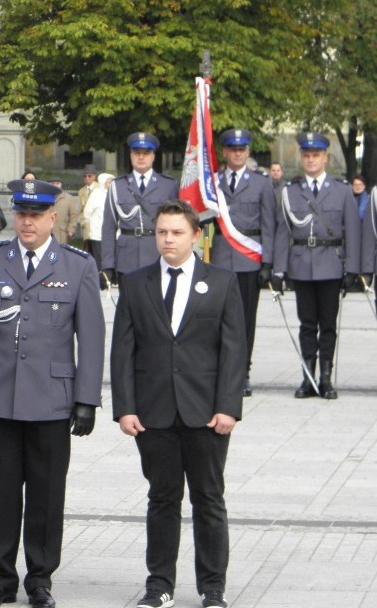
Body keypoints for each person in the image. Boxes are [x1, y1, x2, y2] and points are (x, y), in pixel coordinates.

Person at [0, 178, 105, 608]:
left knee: (46, 494)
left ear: (52, 219)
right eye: (21, 214)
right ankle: (1, 578)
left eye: (36, 215)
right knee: (1, 494)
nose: (27, 222)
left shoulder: (77, 266)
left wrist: (86, 399)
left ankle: (40, 578)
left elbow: (91, 339)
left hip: (52, 400)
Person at [111, 199, 247, 608]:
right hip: (153, 412)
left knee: (209, 498)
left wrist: (228, 406)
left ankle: (212, 587)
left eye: (176, 232)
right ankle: (159, 585)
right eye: (161, 232)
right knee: (162, 498)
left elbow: (234, 349)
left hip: (206, 412)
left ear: (195, 236)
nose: (167, 239)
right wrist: (125, 408)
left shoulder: (221, 282)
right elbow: (123, 351)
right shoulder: (136, 283)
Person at [273, 132, 360, 399]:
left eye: (316, 155)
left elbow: (353, 232)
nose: (311, 160)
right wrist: (279, 269)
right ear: (302, 158)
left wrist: (352, 269)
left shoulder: (342, 190)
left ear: (325, 157)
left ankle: (325, 378)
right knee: (307, 324)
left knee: (329, 325)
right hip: (301, 265)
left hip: (331, 265)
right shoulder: (291, 191)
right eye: (306, 155)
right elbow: (283, 231)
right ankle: (308, 378)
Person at [211, 129, 276, 397]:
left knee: (246, 320)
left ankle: (243, 373)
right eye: (232, 148)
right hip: (219, 260)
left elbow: (269, 224)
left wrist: (267, 263)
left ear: (248, 151)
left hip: (250, 259)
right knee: (216, 320)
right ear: (224, 152)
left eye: (242, 148)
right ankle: (221, 371)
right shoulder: (212, 183)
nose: (237, 153)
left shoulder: (261, 183)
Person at [100, 132, 179, 288]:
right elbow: (109, 227)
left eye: (146, 153)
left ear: (153, 156)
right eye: (137, 153)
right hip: (126, 259)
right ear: (131, 155)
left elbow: (177, 224)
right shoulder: (117, 186)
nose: (141, 157)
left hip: (158, 255)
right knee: (129, 309)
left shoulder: (168, 185)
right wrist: (108, 264)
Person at [82, 173, 112, 272]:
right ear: (103, 183)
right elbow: (87, 212)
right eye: (109, 182)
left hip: (111, 233)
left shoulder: (114, 194)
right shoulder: (96, 194)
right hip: (97, 232)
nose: (111, 184)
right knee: (98, 258)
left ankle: (111, 278)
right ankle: (100, 278)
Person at [76, 165, 98, 255]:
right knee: (88, 253)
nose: (87, 178)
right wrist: (83, 223)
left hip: (98, 227)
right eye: (85, 176)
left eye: (89, 176)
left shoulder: (100, 188)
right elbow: (81, 211)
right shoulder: (81, 192)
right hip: (87, 228)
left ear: (94, 176)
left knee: (99, 253)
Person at [50, 178, 78, 244]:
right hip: (46, 232)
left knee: (61, 252)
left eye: (57, 183)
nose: (55, 185)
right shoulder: (45, 197)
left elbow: (73, 215)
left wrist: (71, 229)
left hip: (62, 233)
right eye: (53, 183)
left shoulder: (68, 198)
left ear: (61, 185)